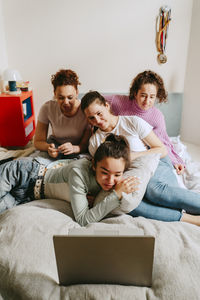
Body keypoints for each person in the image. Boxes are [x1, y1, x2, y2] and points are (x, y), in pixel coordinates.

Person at [81, 90, 200, 226]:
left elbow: (161, 149)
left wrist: (133, 156)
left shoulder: (132, 122)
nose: (97, 120)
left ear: (107, 106)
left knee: (153, 190)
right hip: (130, 173)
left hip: (154, 161)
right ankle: (191, 219)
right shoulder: (94, 142)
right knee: (125, 202)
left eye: (99, 113)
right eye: (91, 118)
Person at [0, 134, 139, 226]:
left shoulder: (109, 183)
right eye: (104, 172)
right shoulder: (78, 172)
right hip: (23, 173)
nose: (110, 180)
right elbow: (83, 220)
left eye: (117, 175)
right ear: (94, 165)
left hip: (27, 196)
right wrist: (116, 195)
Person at [104, 70, 185, 175]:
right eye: (143, 95)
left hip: (142, 154)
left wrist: (175, 161)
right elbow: (95, 101)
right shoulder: (119, 101)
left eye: (152, 97)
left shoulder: (157, 116)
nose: (147, 101)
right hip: (118, 152)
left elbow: (163, 142)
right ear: (135, 93)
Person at [34, 69, 91, 159]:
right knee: (37, 163)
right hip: (55, 146)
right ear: (55, 94)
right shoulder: (47, 108)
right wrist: (49, 148)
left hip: (78, 149)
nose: (66, 102)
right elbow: (38, 141)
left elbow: (84, 145)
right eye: (61, 98)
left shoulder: (86, 110)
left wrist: (73, 148)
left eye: (70, 97)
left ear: (77, 93)